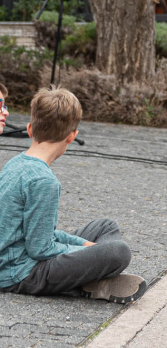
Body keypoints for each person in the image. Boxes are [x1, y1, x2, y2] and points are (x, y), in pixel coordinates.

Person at [0, 87, 147, 304]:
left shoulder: (15, 163)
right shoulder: (44, 181)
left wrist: (87, 247)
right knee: (118, 252)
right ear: (72, 136)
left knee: (106, 226)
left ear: (30, 129)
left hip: (18, 257)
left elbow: (38, 234)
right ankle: (91, 280)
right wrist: (84, 250)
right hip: (20, 274)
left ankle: (90, 277)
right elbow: (40, 248)